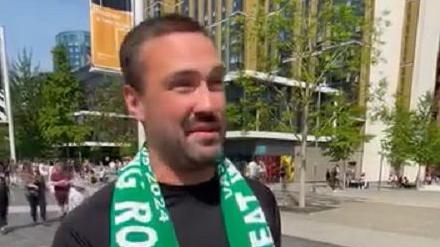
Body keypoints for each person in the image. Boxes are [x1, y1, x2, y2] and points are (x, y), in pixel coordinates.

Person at [52, 14, 281, 247]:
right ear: (135, 103)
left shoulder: (259, 202)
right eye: (183, 84)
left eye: (215, 82)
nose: (208, 104)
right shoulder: (87, 233)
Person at [0, 163, 9, 232]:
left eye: (1, 167)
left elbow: (7, 184)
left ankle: (3, 226)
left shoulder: (5, 175)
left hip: (4, 195)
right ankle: (2, 226)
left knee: (3, 210)